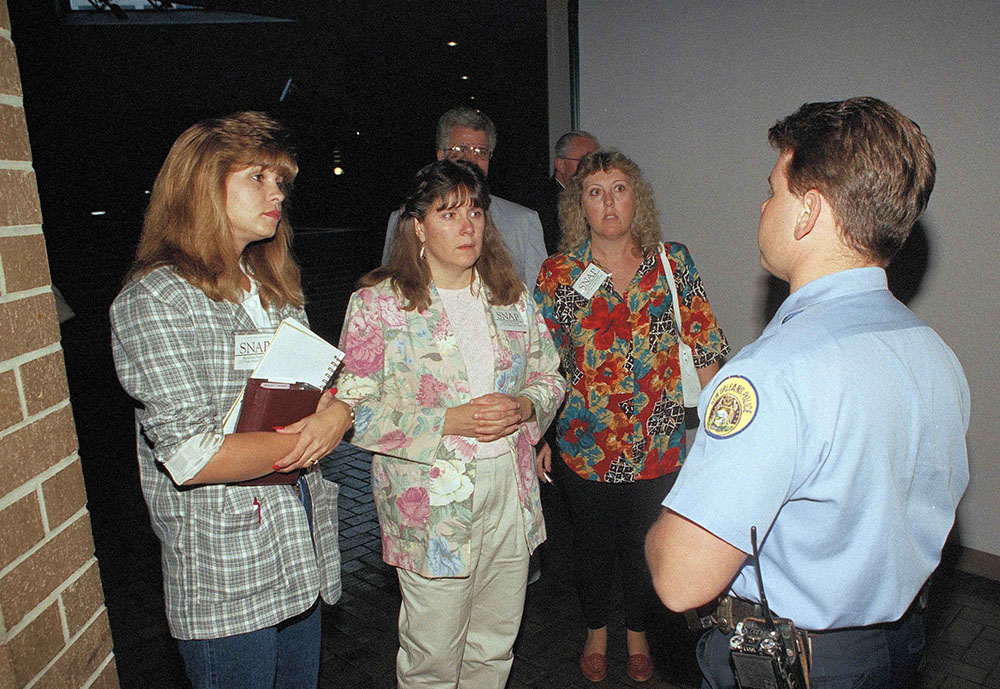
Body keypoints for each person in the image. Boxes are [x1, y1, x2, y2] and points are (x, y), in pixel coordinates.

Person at [646, 97, 969, 689]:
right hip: (896, 649)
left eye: (773, 191)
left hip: (799, 665)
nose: (763, 206)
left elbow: (680, 580)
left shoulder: (773, 372)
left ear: (807, 213)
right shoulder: (934, 353)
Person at [110, 112, 353, 689]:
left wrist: (339, 411)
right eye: (258, 178)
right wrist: (307, 438)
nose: (277, 195)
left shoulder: (273, 284)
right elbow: (193, 456)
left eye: (282, 183)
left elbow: (318, 391)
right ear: (201, 186)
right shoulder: (158, 297)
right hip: (225, 564)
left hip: (300, 542)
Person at [336, 159, 566, 688]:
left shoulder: (508, 296)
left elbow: (550, 375)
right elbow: (353, 412)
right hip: (430, 504)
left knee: (494, 647)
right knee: (432, 657)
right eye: (448, 213)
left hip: (510, 490)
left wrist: (528, 407)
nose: (468, 227)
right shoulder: (379, 305)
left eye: (476, 212)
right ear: (417, 225)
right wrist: (449, 420)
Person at [533, 150, 730, 683]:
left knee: (648, 546)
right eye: (594, 192)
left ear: (634, 197)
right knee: (591, 548)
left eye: (618, 188)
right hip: (584, 440)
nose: (608, 202)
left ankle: (638, 630)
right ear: (581, 205)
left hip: (659, 440)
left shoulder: (672, 262)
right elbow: (542, 362)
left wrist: (720, 436)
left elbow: (708, 348)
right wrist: (542, 434)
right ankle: (597, 628)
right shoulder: (560, 273)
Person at [382, 106, 548, 287]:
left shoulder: (522, 222)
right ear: (441, 155)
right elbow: (392, 285)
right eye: (460, 149)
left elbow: (537, 299)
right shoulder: (405, 219)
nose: (471, 159)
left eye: (481, 152)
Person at [537, 130, 600, 254]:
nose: (591, 167)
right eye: (584, 161)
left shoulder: (602, 199)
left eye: (595, 161)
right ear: (560, 165)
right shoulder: (541, 203)